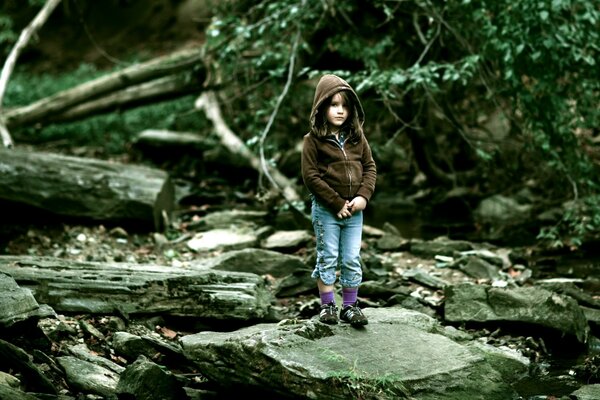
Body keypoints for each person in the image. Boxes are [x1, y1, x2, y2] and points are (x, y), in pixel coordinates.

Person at [301, 74, 377, 326]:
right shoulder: (312, 141)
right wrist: (335, 203)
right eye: (334, 105)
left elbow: (369, 167)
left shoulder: (357, 138)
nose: (340, 111)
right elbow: (311, 177)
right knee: (328, 256)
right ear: (321, 107)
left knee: (351, 257)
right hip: (327, 211)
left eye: (345, 105)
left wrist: (363, 197)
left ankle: (350, 306)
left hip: (355, 210)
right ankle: (327, 306)